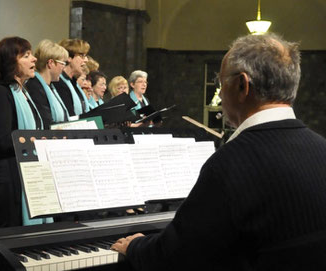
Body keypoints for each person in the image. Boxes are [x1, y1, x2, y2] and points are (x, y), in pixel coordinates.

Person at [111, 33, 326, 270]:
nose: (221, 94)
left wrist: (135, 246)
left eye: (220, 83)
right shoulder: (322, 149)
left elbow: (178, 254)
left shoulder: (231, 164)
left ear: (242, 85)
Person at [0, 36, 51, 228]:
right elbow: (4, 140)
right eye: (26, 55)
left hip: (24, 171)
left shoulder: (21, 91)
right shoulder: (0, 91)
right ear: (11, 61)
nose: (34, 59)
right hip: (7, 177)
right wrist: (39, 140)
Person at [25, 39, 69, 129]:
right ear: (51, 63)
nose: (63, 68)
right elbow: (45, 121)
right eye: (63, 63)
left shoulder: (50, 87)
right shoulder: (34, 86)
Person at [52, 38, 91, 117]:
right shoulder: (59, 82)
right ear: (69, 57)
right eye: (82, 56)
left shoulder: (73, 82)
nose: (86, 60)